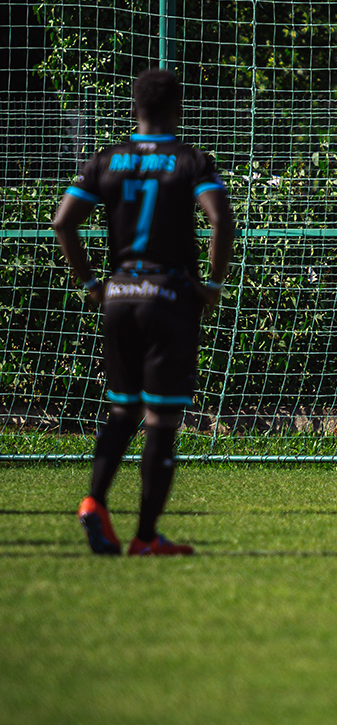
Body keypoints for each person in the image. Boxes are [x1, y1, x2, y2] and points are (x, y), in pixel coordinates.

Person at [52, 68, 235, 556]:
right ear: (178, 109)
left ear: (135, 108)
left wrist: (92, 283)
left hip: (118, 295)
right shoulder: (189, 160)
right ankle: (146, 538)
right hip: (168, 295)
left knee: (122, 409)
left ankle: (94, 500)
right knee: (161, 420)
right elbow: (221, 220)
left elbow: (63, 222)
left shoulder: (105, 161)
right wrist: (212, 284)